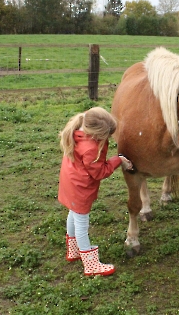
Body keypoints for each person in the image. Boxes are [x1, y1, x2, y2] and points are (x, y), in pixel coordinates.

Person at [58, 107, 133, 276]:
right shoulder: (91, 148)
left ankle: (74, 251)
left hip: (70, 182)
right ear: (97, 134)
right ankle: (91, 265)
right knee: (82, 225)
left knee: (73, 213)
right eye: (107, 136)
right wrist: (117, 160)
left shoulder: (79, 131)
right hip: (80, 189)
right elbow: (99, 172)